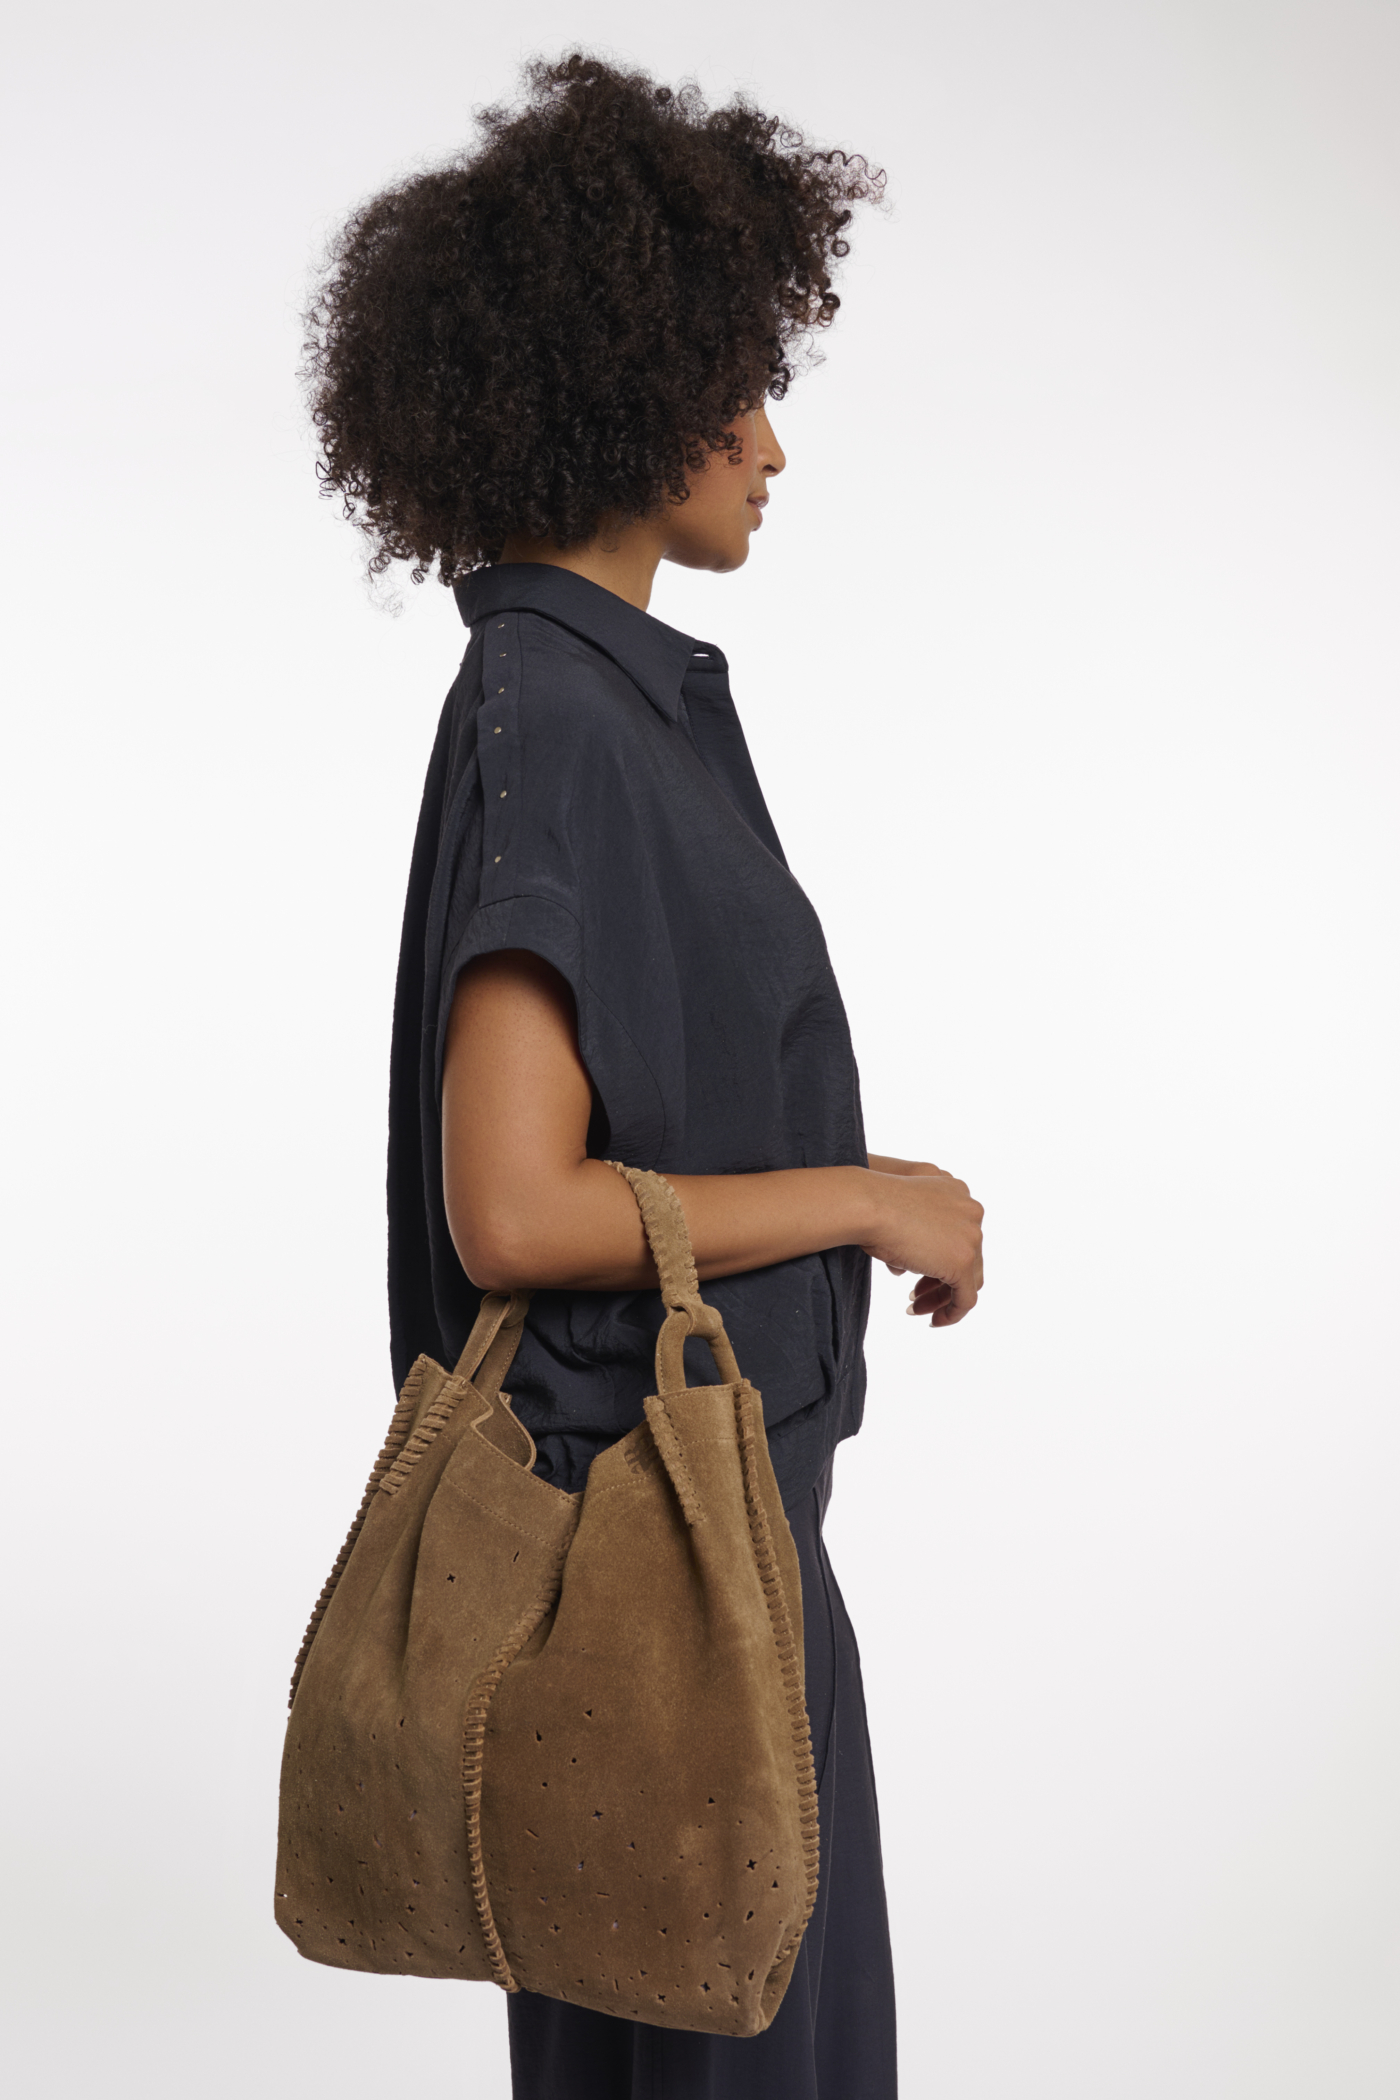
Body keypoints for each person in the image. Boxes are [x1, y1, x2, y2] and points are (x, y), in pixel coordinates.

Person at [303, 52, 984, 2099]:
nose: (771, 444)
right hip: (648, 1600)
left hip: (709, 1565)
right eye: (734, 388)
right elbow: (513, 1209)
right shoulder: (563, 715)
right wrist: (870, 1195)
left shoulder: (594, 705)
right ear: (611, 393)